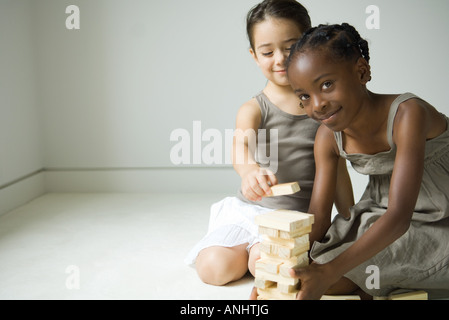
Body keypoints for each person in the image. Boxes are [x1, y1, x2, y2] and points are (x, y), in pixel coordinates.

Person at [184, 1, 354, 286]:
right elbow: (240, 146)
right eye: (267, 52)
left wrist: (351, 219)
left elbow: (337, 170)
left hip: (295, 220)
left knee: (270, 262)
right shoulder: (254, 108)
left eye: (289, 48)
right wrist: (249, 171)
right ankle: (248, 248)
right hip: (252, 211)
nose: (280, 59)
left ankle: (256, 254)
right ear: (254, 55)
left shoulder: (325, 109)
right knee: (213, 269)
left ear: (308, 43)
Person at [285, 22, 449, 299]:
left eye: (326, 85)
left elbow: (399, 217)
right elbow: (320, 216)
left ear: (361, 72)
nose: (317, 105)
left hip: (434, 215)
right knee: (317, 266)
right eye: (304, 96)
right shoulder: (327, 137)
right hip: (379, 213)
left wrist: (329, 273)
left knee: (337, 273)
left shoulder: (408, 115)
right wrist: (281, 274)